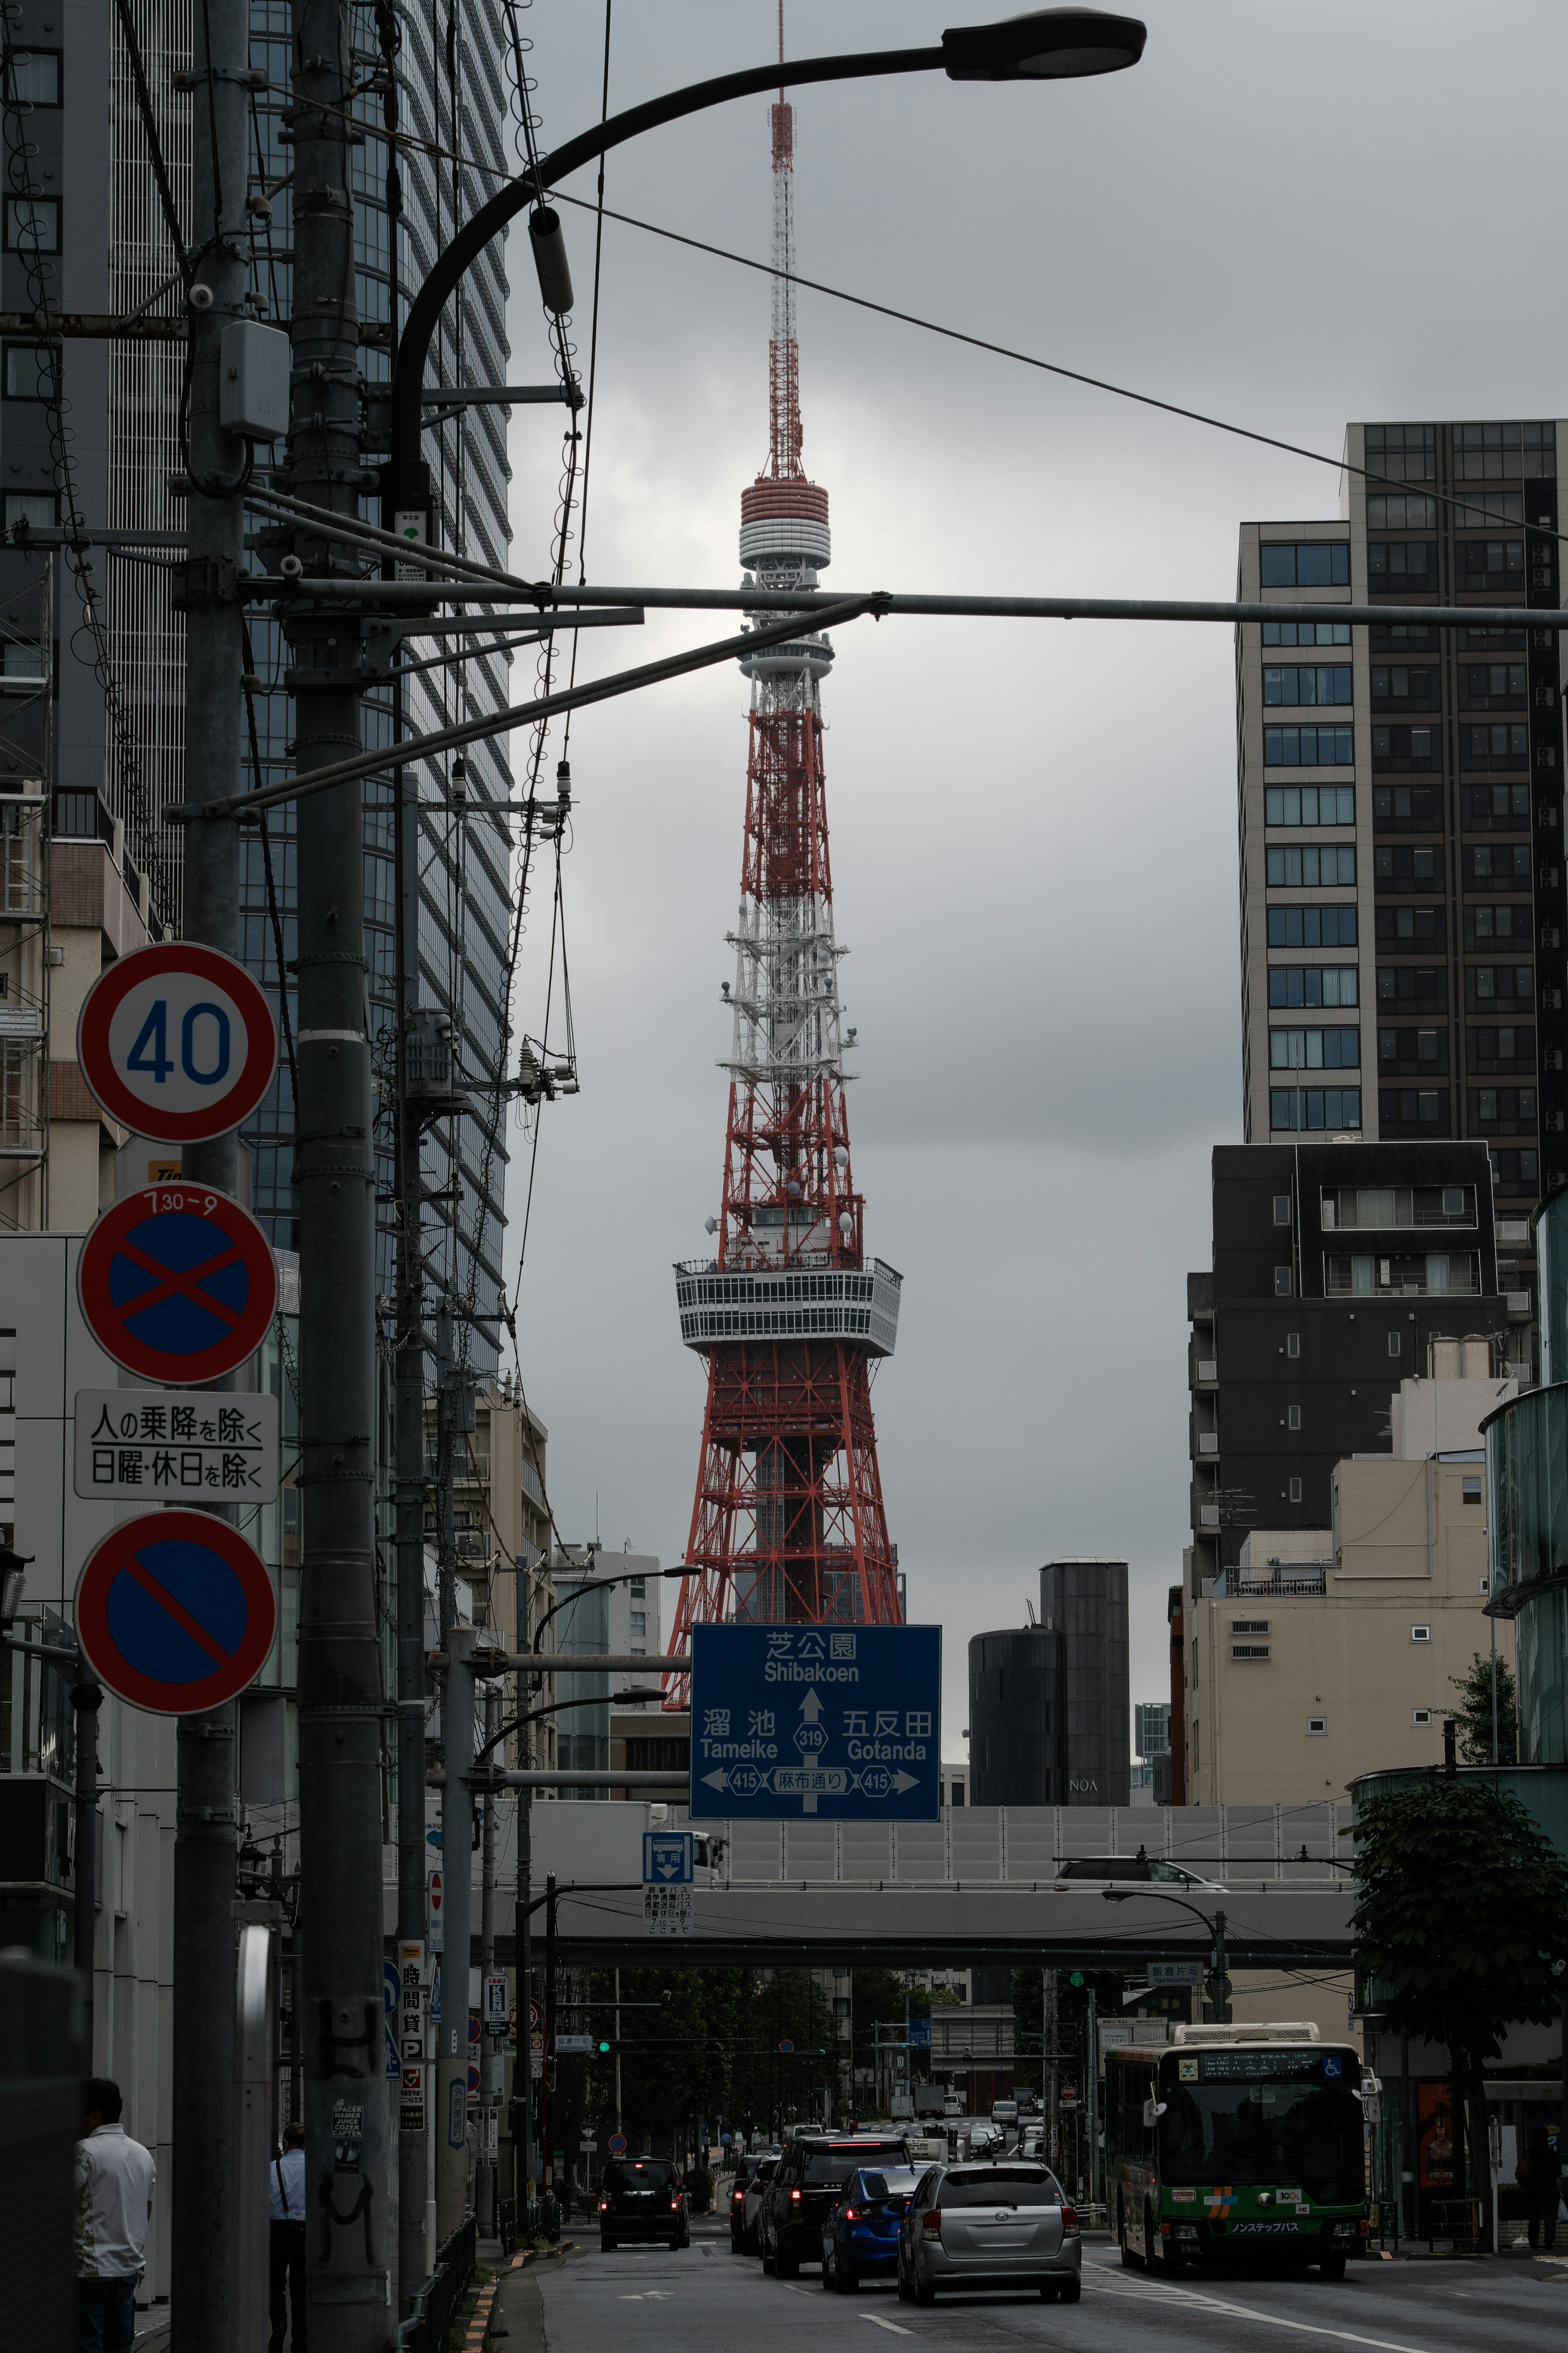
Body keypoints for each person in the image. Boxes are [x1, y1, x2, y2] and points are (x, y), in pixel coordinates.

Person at [75, 2076, 156, 2353]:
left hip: (89, 2269)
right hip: (128, 2269)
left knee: (87, 2345)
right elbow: (146, 2209)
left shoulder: (85, 2152)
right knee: (120, 2346)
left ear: (95, 2116)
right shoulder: (143, 2154)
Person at [270, 2120, 307, 2352]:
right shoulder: (314, 2169)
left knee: (274, 2285)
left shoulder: (272, 2168)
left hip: (277, 2230)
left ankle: (279, 2324)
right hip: (304, 2231)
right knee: (301, 2287)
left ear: (285, 2142)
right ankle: (300, 2341)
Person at [1519, 2123, 1563, 2254]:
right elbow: (1557, 2176)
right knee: (1550, 2217)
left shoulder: (1529, 2152)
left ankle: (1534, 2242)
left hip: (1533, 2190)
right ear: (1546, 2138)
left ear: (1534, 2138)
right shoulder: (1552, 2154)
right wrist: (1561, 2192)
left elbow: (1522, 2170)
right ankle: (1549, 2242)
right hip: (1549, 2189)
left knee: (1534, 2216)